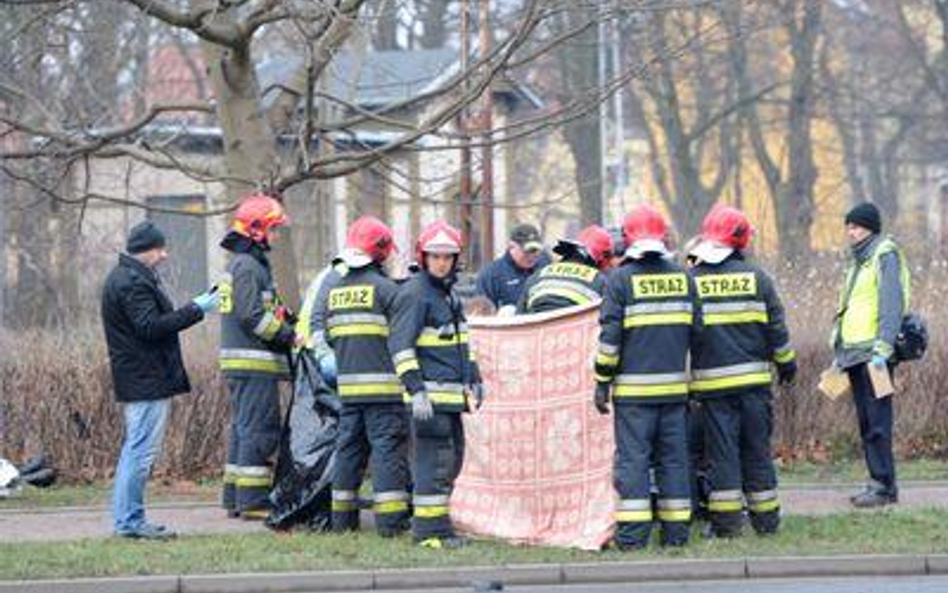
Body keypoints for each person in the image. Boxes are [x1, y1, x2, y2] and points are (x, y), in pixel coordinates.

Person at [101, 220, 217, 539]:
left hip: (141, 378)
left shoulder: (128, 277)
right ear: (147, 250)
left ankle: (129, 519)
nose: (164, 254)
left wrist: (195, 306)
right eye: (160, 249)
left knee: (135, 450)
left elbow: (150, 323)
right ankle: (130, 522)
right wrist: (197, 308)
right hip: (145, 380)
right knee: (139, 453)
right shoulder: (131, 282)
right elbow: (151, 327)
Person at [593, 204, 699, 549]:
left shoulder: (621, 280)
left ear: (628, 239)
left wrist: (601, 381)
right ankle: (676, 535)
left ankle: (633, 538)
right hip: (674, 393)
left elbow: (610, 342)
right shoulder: (684, 277)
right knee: (673, 462)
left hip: (634, 397)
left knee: (634, 464)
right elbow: (698, 333)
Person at [687, 205, 796, 537]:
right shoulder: (758, 278)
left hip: (714, 389)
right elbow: (777, 329)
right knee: (757, 452)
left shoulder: (691, 281)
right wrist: (786, 363)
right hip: (755, 387)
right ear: (741, 241)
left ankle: (727, 525)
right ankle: (766, 522)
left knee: (723, 457)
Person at [389, 220, 485, 548]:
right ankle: (429, 533)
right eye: (436, 256)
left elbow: (462, 343)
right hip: (429, 398)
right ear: (424, 257)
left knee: (451, 461)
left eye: (448, 257)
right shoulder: (415, 295)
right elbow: (401, 347)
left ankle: (440, 526)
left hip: (451, 398)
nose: (442, 262)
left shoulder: (448, 296)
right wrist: (416, 390)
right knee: (435, 463)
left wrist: (474, 377)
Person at [327, 216, 411, 537]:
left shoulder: (335, 291)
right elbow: (403, 337)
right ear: (380, 252)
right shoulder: (387, 290)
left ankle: (342, 522)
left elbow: (334, 338)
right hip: (385, 392)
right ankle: (391, 524)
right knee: (387, 452)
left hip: (349, 391)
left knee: (348, 452)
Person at [218, 193, 299, 520]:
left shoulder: (241, 265)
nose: (276, 236)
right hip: (254, 365)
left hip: (244, 366)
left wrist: (287, 317)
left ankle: (235, 497)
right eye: (273, 229)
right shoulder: (248, 267)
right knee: (259, 430)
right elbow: (254, 317)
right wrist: (290, 335)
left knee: (243, 429)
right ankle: (253, 501)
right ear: (256, 230)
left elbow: (264, 311)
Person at [832, 202, 909, 508]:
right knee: (867, 422)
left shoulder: (883, 254)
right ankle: (878, 482)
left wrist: (883, 347)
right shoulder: (858, 261)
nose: (851, 232)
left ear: (870, 228)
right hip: (854, 354)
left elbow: (891, 303)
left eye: (856, 226)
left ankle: (884, 486)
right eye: (848, 227)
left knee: (878, 422)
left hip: (875, 357)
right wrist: (838, 343)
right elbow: (851, 305)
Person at [516, 225, 613, 314]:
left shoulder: (538, 275)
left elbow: (519, 320)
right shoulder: (599, 281)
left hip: (536, 330)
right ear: (603, 256)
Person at [475, 223, 550, 310]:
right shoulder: (491, 275)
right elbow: (483, 313)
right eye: (527, 251)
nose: (531, 256)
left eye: (535, 250)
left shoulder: (545, 266)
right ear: (511, 247)